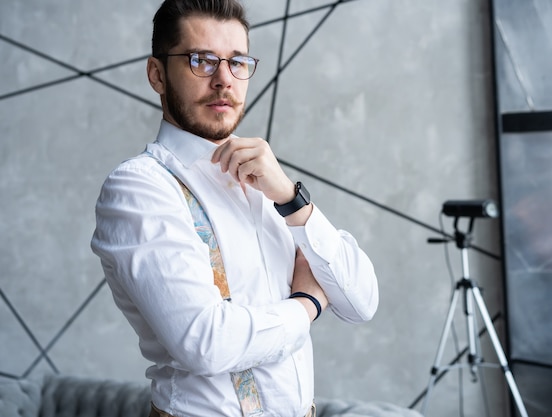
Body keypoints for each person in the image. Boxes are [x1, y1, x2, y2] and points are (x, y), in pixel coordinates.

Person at [90, 0, 379, 416]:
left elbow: (361, 301)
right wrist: (307, 304)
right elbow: (206, 343)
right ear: (157, 74)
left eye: (237, 62)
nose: (224, 80)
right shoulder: (139, 187)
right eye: (201, 61)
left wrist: (291, 200)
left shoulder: (266, 180)